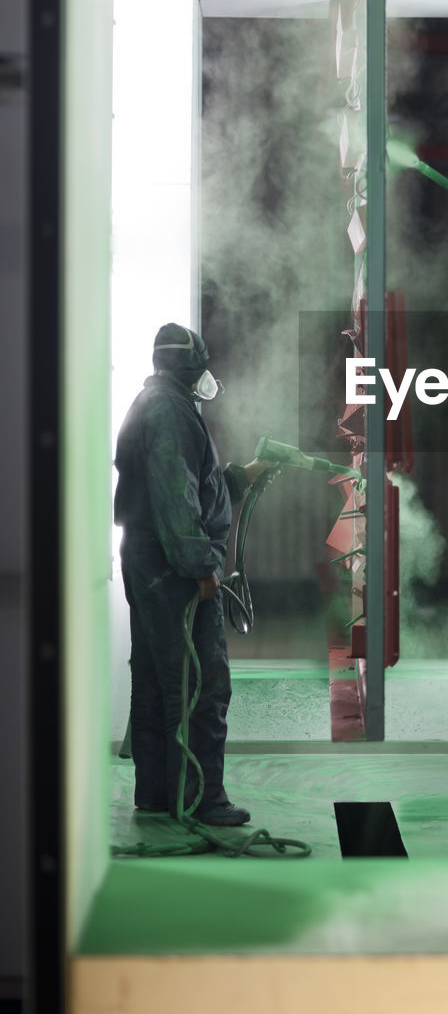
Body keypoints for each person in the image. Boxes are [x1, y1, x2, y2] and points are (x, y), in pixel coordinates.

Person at [114, 322, 272, 827]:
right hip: (172, 567)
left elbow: (190, 487)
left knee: (160, 681)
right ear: (192, 369)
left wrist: (241, 475)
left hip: (149, 559)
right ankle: (204, 799)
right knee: (201, 682)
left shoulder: (154, 403)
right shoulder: (171, 411)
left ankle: (158, 794)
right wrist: (203, 566)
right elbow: (175, 500)